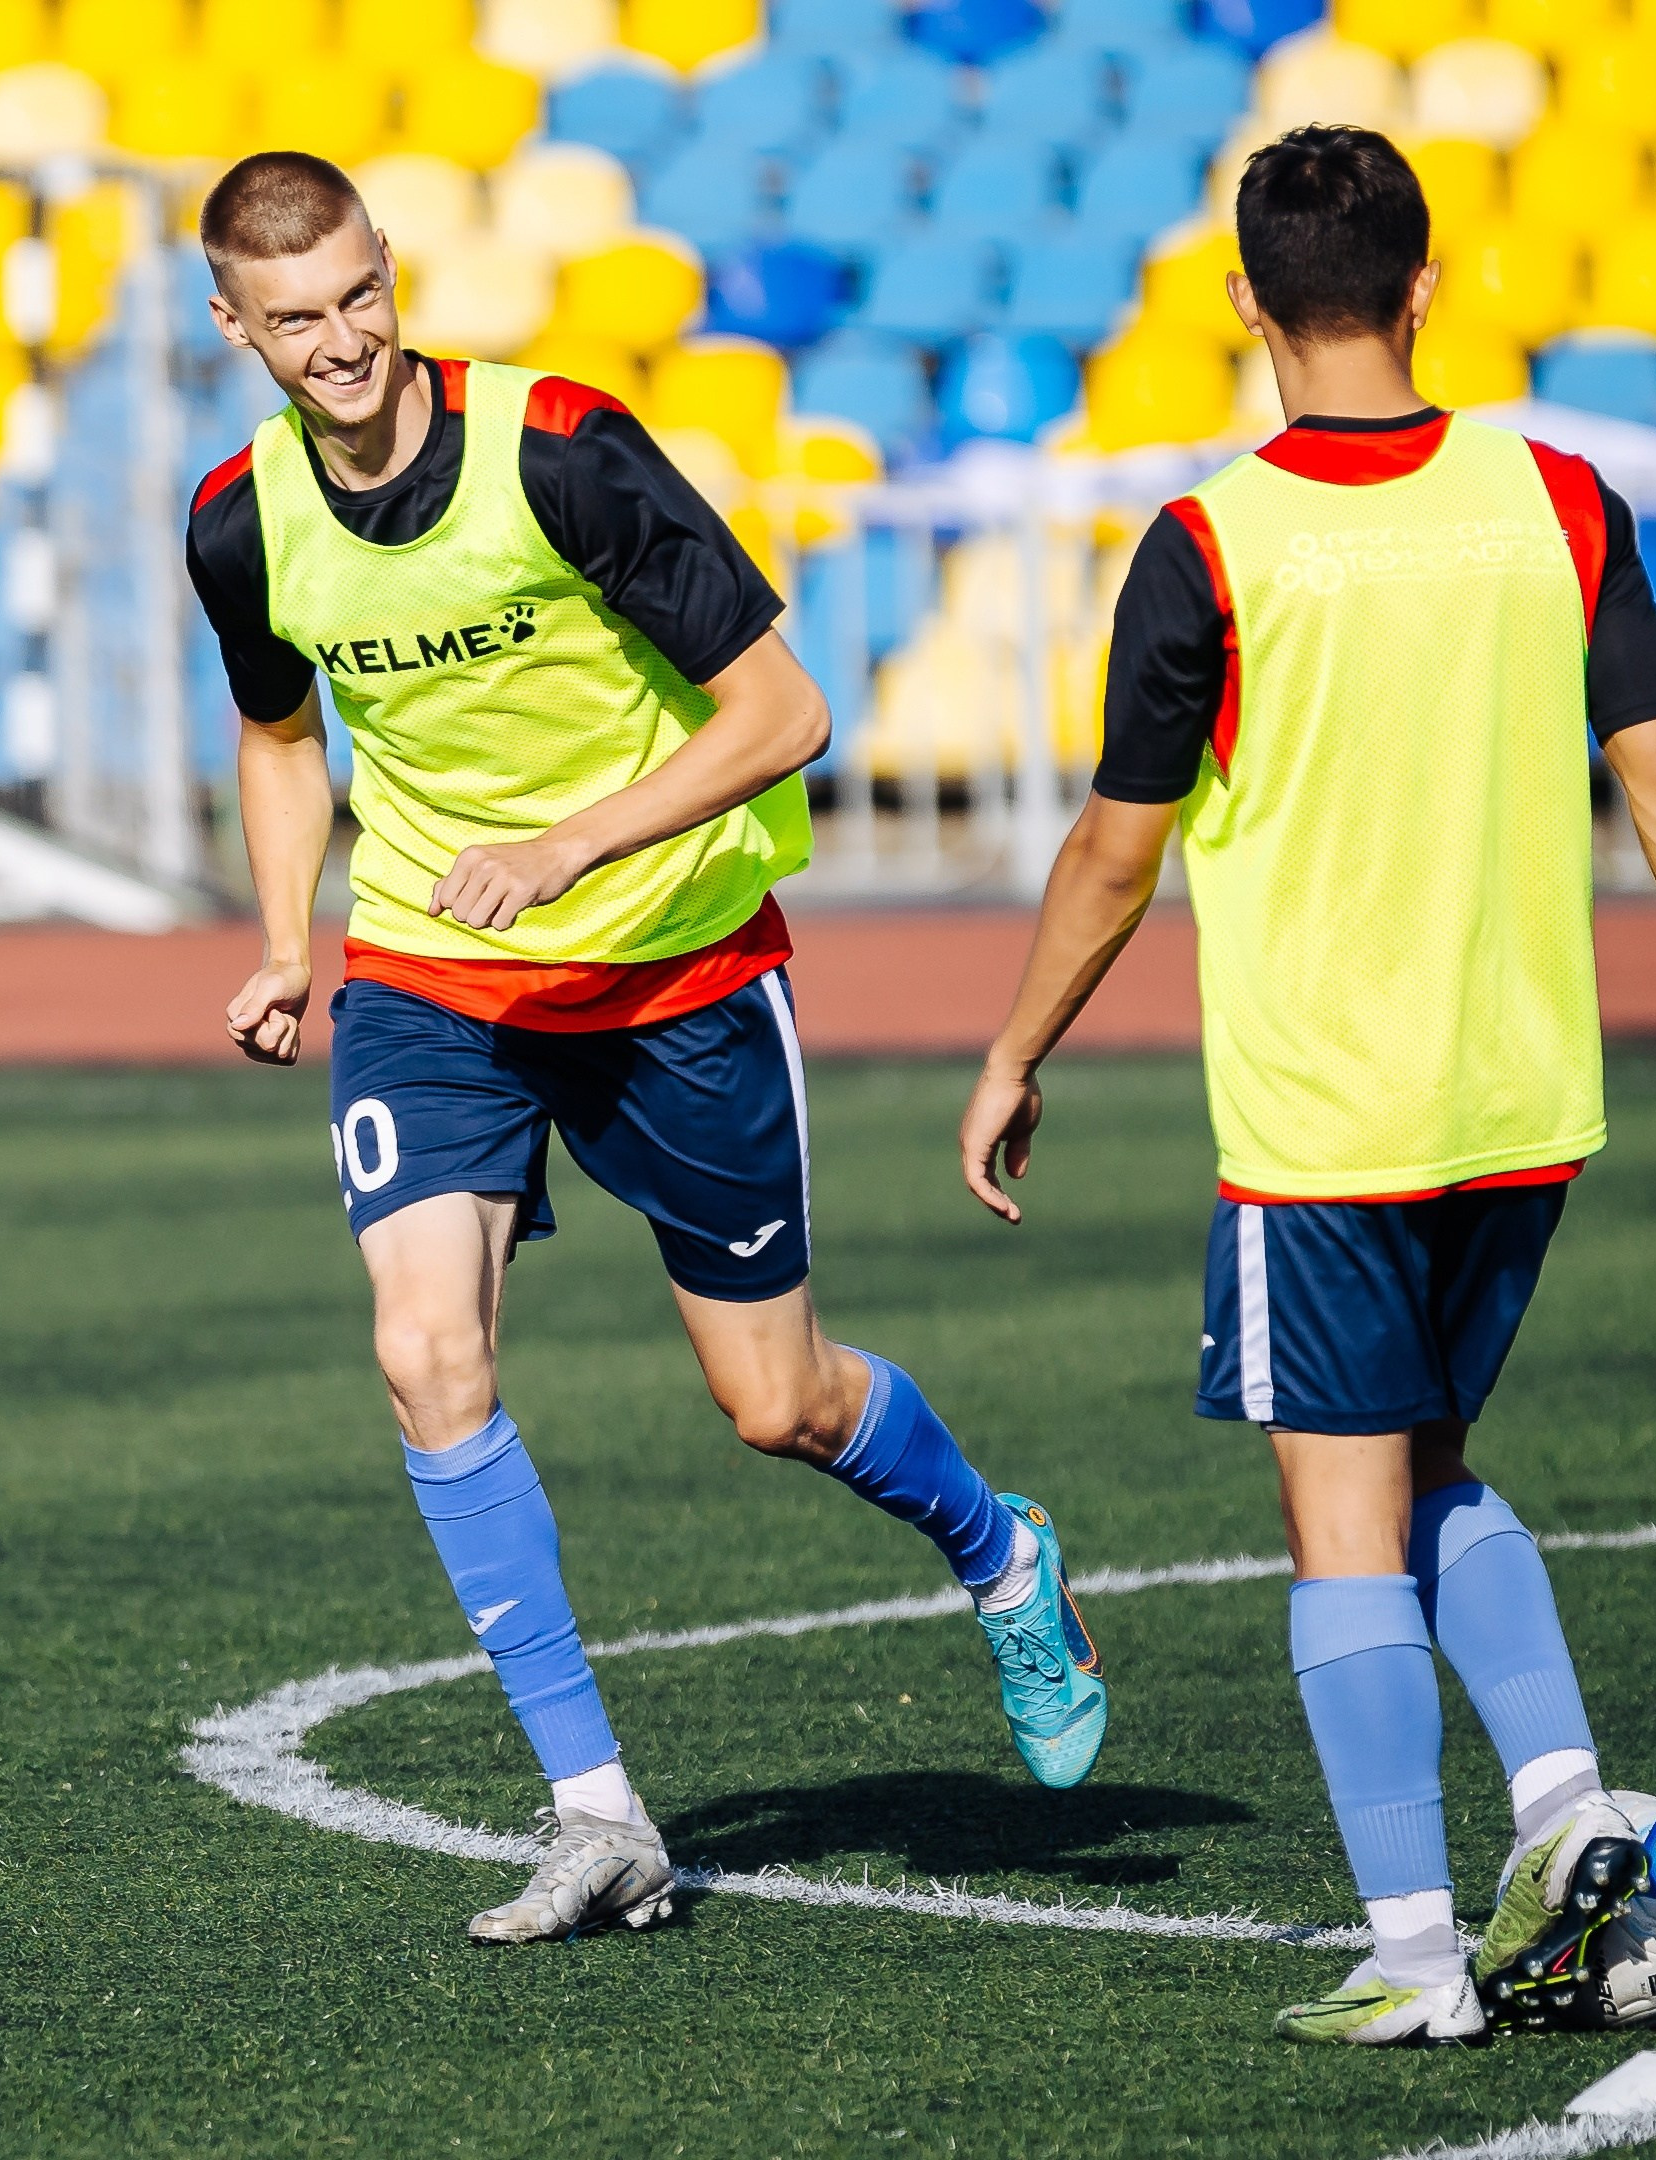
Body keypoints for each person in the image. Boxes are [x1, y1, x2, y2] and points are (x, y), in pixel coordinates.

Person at [185, 151, 1107, 1946]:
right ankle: (598, 1815)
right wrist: (291, 941)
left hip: (674, 972)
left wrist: (568, 847)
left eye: (362, 295)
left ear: (395, 269)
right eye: (296, 319)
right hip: (435, 975)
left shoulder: (561, 451)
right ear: (234, 326)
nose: (343, 341)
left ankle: (1000, 1550)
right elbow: (282, 735)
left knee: (778, 1404)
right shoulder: (240, 520)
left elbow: (786, 709)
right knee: (424, 1351)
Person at [959, 126, 1656, 2046]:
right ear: (1425, 288)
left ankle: (1416, 1955)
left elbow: (1113, 854)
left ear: (1243, 302)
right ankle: (1571, 1818)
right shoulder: (1557, 500)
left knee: (1341, 1522)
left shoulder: (1208, 546)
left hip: (1328, 1126)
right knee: (1425, 1468)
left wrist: (1016, 1050)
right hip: (1522, 1105)